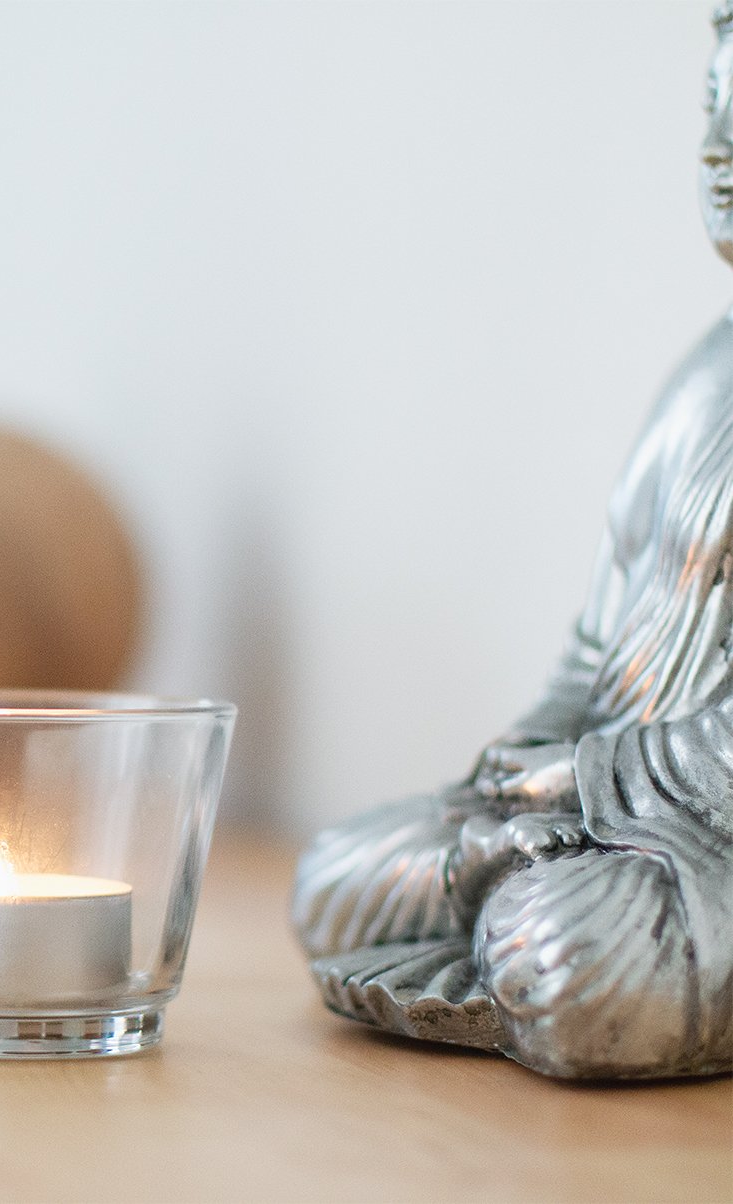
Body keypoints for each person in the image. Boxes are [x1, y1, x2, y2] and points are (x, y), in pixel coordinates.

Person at [291, 6, 733, 1080]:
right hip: (605, 812)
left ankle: (510, 892)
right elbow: (596, 648)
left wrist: (575, 779)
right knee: (332, 877)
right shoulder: (700, 378)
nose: (719, 152)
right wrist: (518, 764)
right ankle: (501, 876)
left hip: (697, 844)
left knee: (570, 958)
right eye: (713, 113)